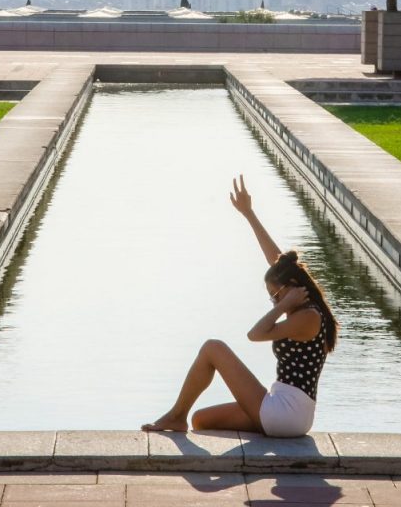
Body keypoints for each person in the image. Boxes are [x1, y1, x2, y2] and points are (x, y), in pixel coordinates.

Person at [142, 174, 338, 437]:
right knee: (202, 420)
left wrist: (281, 307)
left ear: (292, 287)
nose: (275, 300)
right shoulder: (301, 300)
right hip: (282, 409)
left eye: (276, 295)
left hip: (287, 413)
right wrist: (249, 214)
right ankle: (184, 417)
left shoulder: (309, 317)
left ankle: (176, 416)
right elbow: (278, 262)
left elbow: (255, 335)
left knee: (213, 348)